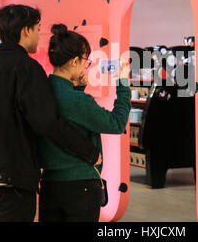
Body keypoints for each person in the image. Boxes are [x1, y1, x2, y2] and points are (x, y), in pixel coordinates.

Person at [0, 5, 101, 222]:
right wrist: (89, 152)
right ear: (26, 30)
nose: (39, 35)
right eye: (37, 29)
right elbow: (47, 122)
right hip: (12, 178)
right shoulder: (27, 68)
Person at [38, 24, 131, 222]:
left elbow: (67, 122)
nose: (85, 66)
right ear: (74, 61)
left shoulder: (40, 92)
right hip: (81, 185)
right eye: (85, 61)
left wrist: (78, 90)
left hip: (49, 183)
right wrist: (123, 85)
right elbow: (116, 123)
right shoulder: (77, 101)